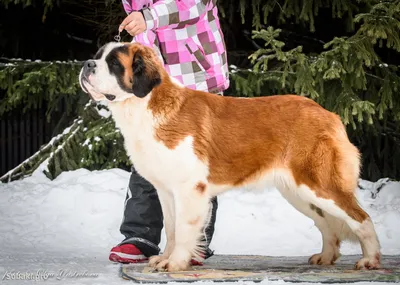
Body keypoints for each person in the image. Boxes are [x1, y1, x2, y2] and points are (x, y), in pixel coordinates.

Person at [109, 0, 230, 265]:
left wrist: (147, 16)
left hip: (195, 73)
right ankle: (139, 236)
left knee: (196, 163)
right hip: (152, 78)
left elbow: (194, 5)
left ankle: (195, 242)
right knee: (147, 157)